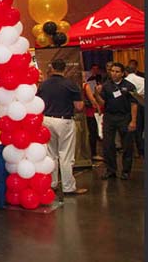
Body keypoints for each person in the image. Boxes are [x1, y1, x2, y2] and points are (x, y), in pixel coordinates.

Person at [38, 59, 87, 195]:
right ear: (64, 69)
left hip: (46, 120)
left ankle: (52, 184)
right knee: (66, 155)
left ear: (52, 68)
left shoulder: (44, 85)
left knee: (51, 154)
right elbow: (79, 106)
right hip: (64, 120)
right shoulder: (70, 85)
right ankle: (68, 187)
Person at [95, 62, 138, 180]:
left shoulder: (129, 86)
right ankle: (111, 170)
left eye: (117, 71)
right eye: (112, 71)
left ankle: (126, 171)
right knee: (108, 145)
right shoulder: (106, 86)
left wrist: (133, 121)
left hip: (125, 117)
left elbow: (134, 104)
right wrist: (97, 93)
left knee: (127, 145)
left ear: (122, 73)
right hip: (109, 117)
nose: (114, 73)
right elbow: (102, 103)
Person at [124, 64, 144, 157]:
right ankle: (142, 149)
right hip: (143, 104)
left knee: (133, 129)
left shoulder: (125, 82)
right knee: (141, 128)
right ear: (135, 71)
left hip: (130, 107)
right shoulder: (142, 79)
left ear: (125, 72)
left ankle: (135, 150)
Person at [82, 79, 103, 161]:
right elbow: (92, 99)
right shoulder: (85, 86)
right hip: (89, 113)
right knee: (92, 133)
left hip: (79, 113)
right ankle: (93, 153)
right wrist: (98, 107)